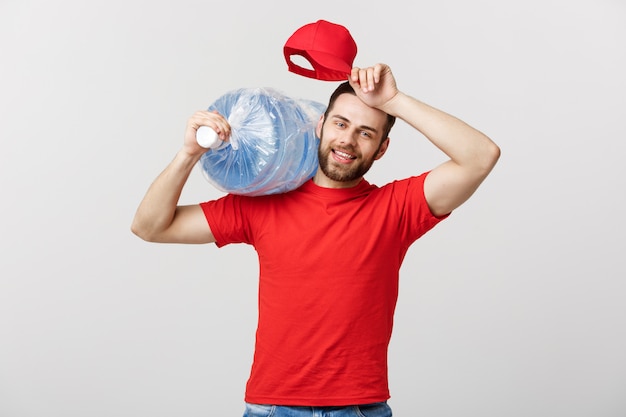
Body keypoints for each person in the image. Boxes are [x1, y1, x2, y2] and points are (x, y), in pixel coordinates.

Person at [131, 63, 500, 417]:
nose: (348, 140)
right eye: (340, 123)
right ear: (320, 125)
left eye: (366, 132)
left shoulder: (395, 209)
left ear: (381, 149)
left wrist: (392, 101)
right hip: (272, 407)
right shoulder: (264, 203)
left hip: (360, 408)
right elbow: (150, 226)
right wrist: (189, 154)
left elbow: (481, 157)